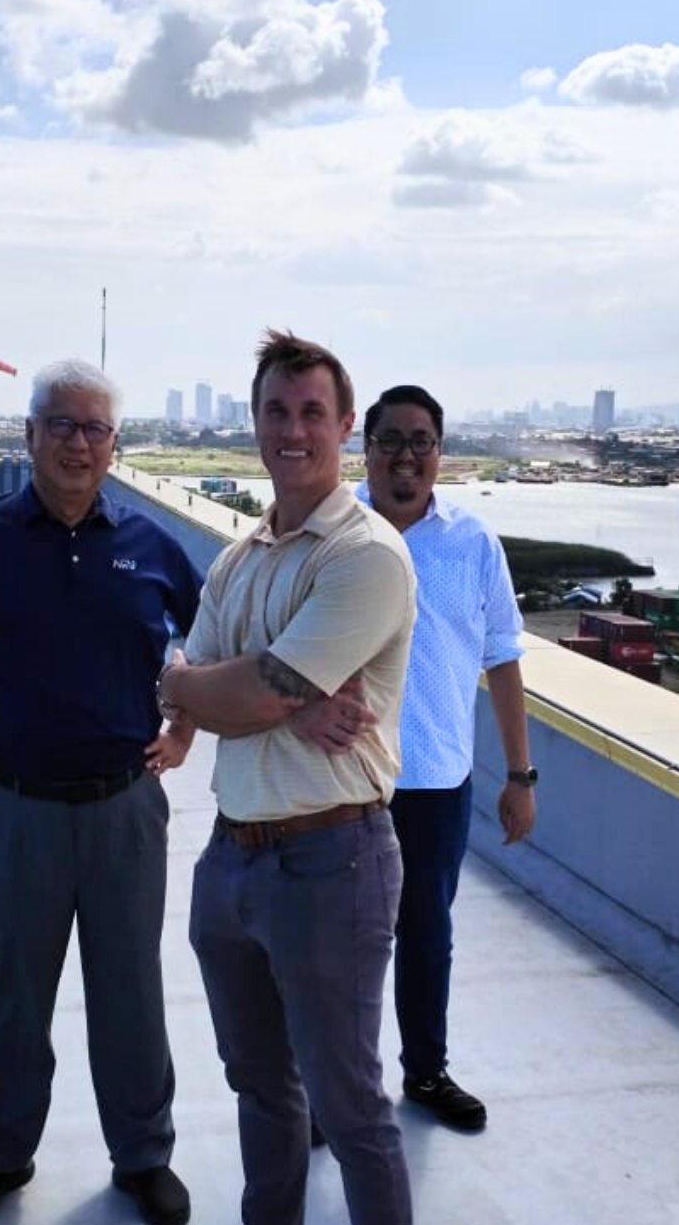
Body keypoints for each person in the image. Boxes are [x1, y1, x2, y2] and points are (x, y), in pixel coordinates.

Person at [0, 358, 201, 1225]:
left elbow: (210, 642)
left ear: (114, 445)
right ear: (29, 435)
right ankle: (1, 1155)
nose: (77, 443)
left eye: (95, 428)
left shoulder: (149, 547)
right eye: (61, 423)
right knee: (16, 995)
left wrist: (183, 729)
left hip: (126, 807)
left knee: (131, 992)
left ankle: (143, 1155)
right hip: (14, 809)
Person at [158, 332, 416, 1225]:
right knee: (261, 1088)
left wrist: (252, 691)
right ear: (256, 422)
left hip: (331, 861)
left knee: (349, 1108)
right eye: (277, 411)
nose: (293, 430)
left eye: (313, 412)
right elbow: (186, 676)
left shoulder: (366, 555)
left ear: (345, 426)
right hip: (231, 856)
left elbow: (231, 687)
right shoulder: (242, 557)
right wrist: (281, 699)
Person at [359, 383, 537, 1131]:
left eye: (421, 441)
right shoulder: (334, 532)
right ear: (365, 449)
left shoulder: (473, 543)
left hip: (435, 780)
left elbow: (503, 659)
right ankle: (334, 1086)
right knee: (339, 941)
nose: (406, 456)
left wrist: (520, 776)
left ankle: (425, 1071)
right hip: (344, 780)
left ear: (439, 452)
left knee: (427, 937)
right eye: (391, 440)